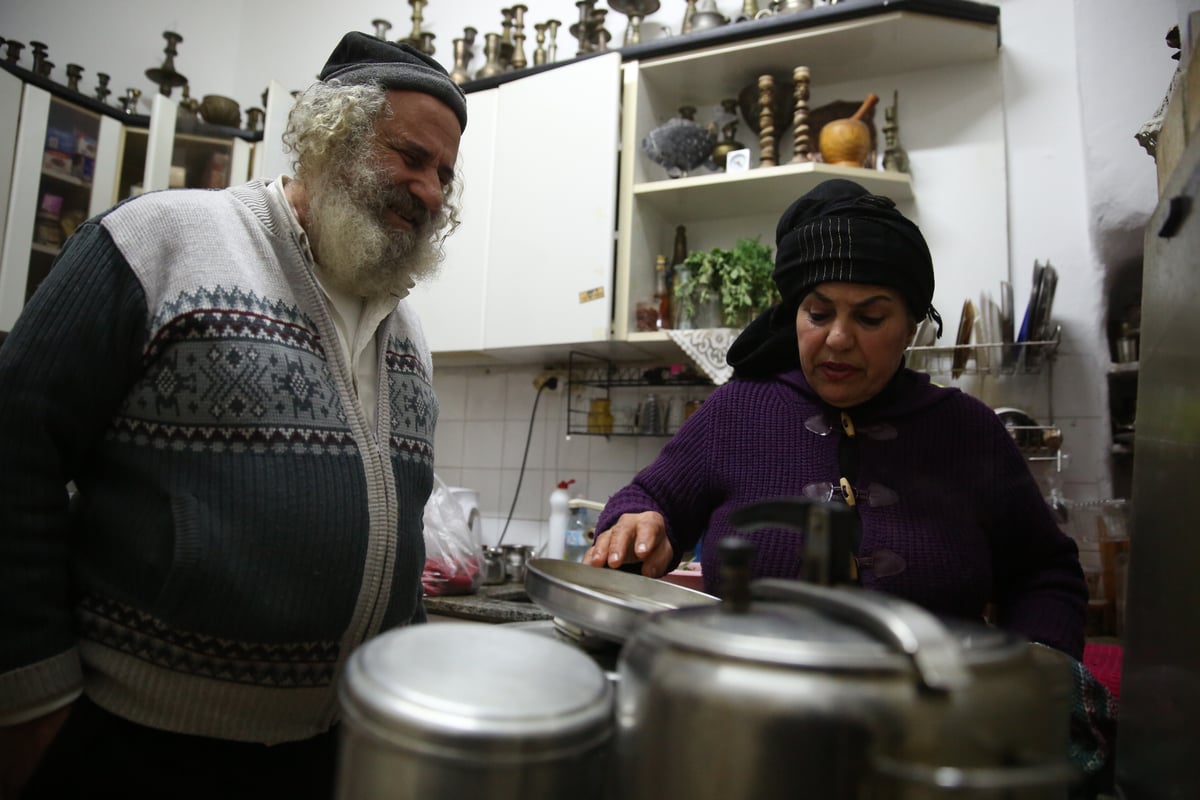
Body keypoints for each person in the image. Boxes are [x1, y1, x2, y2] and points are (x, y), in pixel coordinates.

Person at [0, 31, 466, 799]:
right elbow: (15, 443)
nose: (430, 191)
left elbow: (394, 536)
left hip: (332, 754)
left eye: (444, 174)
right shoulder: (161, 241)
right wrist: (32, 696)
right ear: (331, 140)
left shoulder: (407, 333)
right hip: (138, 750)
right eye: (410, 157)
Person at [585, 178, 1089, 661]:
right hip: (751, 714)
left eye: (870, 318)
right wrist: (638, 522)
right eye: (818, 314)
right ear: (793, 316)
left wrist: (1040, 665)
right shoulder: (736, 412)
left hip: (931, 728)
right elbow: (650, 499)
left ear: (913, 326)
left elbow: (1044, 571)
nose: (839, 338)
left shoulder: (968, 430)